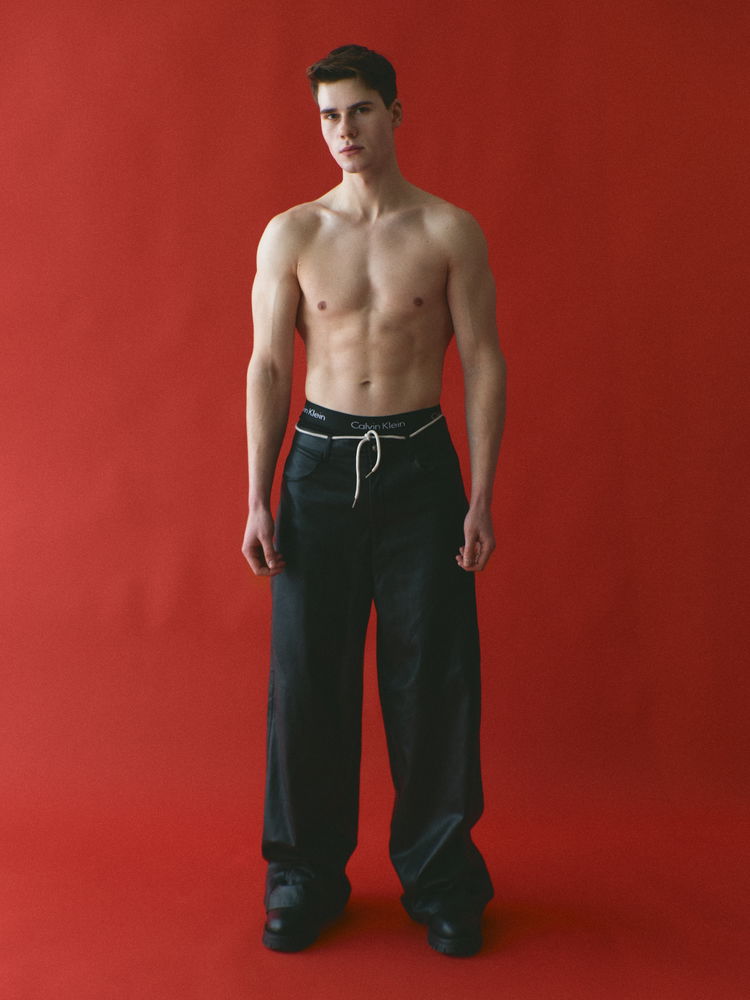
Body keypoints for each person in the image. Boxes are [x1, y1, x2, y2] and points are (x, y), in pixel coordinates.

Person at [242, 44, 506, 957]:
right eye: (328, 115)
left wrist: (481, 495)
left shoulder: (448, 231)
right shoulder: (293, 234)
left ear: (395, 112)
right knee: (308, 682)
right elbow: (268, 366)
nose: (343, 130)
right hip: (318, 469)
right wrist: (257, 497)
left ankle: (443, 882)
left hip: (419, 471)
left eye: (359, 110)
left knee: (433, 679)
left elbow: (484, 362)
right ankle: (302, 878)